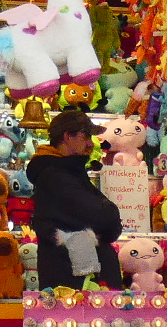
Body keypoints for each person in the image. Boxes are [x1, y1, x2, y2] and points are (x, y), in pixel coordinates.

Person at [27, 107, 122, 291]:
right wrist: (111, 212)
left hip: (76, 280)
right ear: (67, 137)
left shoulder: (66, 172)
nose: (90, 143)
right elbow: (101, 217)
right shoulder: (56, 175)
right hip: (75, 283)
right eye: (85, 136)